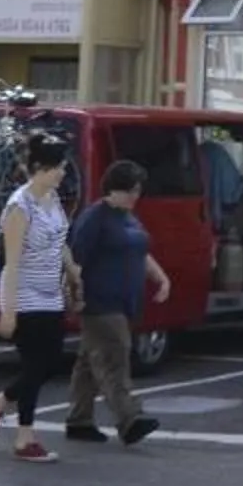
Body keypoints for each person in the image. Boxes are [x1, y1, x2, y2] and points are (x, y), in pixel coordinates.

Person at [65, 158, 170, 445]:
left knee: (89, 361)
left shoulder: (128, 216)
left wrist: (161, 278)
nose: (137, 196)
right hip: (100, 301)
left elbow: (139, 251)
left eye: (138, 190)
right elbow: (76, 259)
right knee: (115, 356)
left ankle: (79, 418)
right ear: (116, 189)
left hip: (123, 301)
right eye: (132, 190)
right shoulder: (95, 218)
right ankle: (129, 418)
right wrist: (75, 296)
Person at [0, 133, 71, 462]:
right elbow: (13, 261)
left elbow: (60, 241)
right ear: (40, 168)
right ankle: (24, 439)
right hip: (25, 293)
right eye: (58, 167)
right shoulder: (19, 207)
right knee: (34, 366)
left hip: (50, 293)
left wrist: (73, 271)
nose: (63, 172)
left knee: (51, 362)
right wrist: (9, 311)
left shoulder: (53, 199)